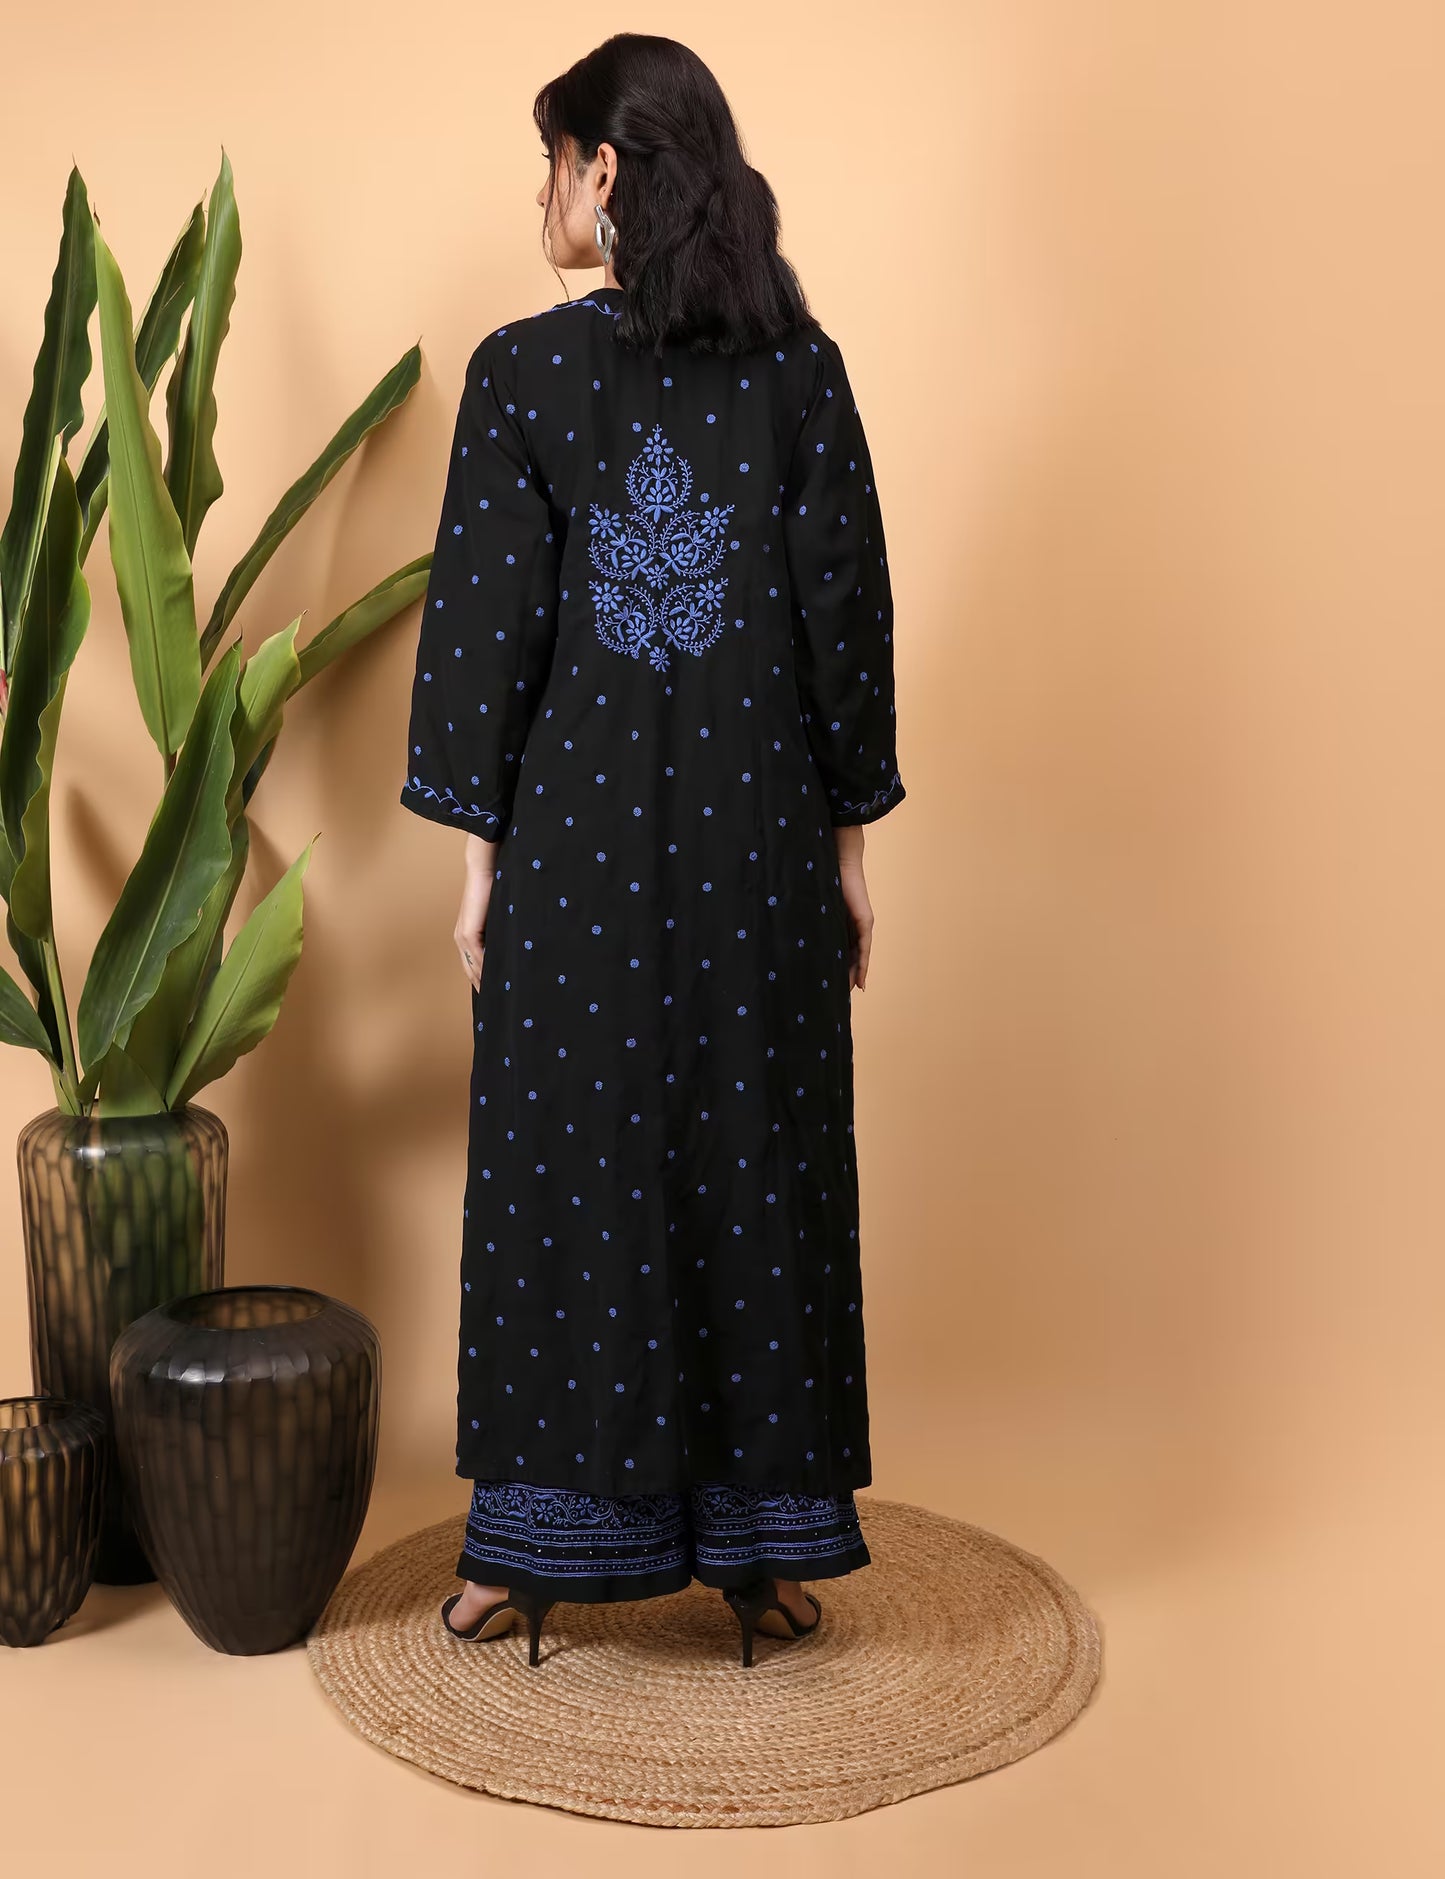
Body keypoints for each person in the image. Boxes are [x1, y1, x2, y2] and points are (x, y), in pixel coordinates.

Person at [399, 32, 906, 1669]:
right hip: (759, 848)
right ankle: (762, 1554)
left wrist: (474, 869)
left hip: (580, 855)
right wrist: (844, 850)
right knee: (753, 1160)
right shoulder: (799, 371)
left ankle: (527, 1550)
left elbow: (487, 641)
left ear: (602, 173)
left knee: (574, 1180)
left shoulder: (522, 375)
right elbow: (845, 622)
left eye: (547, 160)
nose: (537, 195)